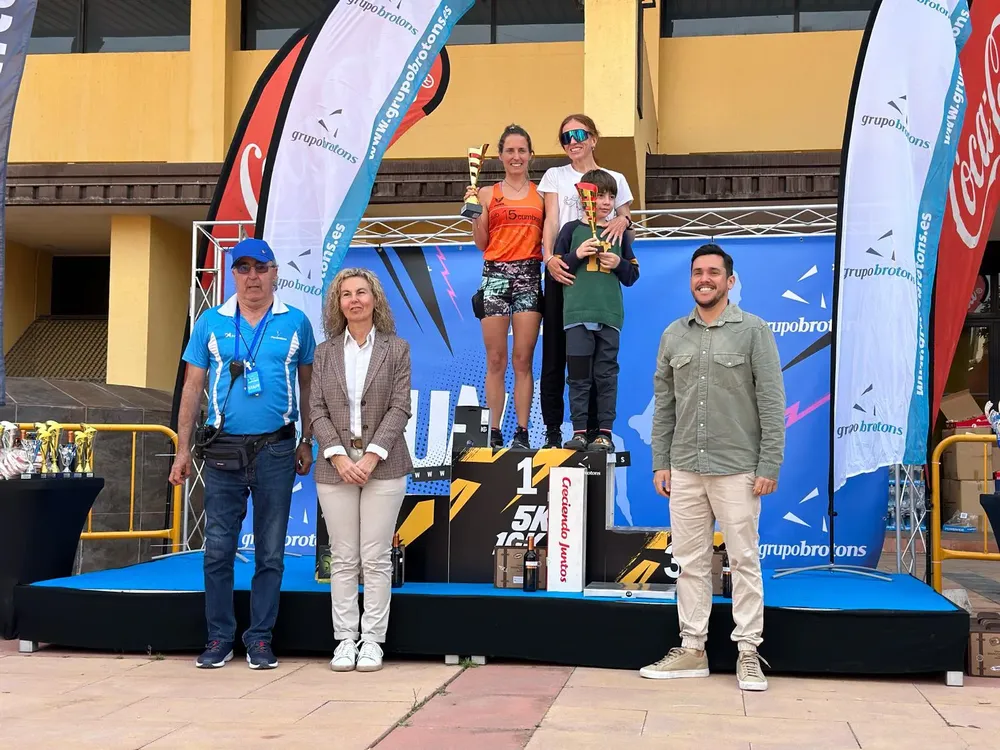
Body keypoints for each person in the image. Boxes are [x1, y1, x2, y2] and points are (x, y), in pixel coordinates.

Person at [642, 243, 785, 692]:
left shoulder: (753, 331)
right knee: (690, 563)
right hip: (683, 467)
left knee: (743, 560)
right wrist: (660, 462)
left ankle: (747, 652)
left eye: (713, 273)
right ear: (691, 279)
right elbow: (663, 406)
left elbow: (772, 403)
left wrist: (769, 462)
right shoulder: (673, 335)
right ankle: (692, 649)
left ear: (729, 280)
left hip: (738, 468)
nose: (705, 279)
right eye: (698, 272)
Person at [170, 237, 316, 671]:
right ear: (232, 274)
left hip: (276, 448)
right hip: (222, 451)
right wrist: (181, 450)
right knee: (217, 550)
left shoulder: (297, 322)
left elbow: (308, 385)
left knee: (271, 552)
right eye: (244, 268)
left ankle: (260, 639)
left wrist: (307, 440)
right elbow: (192, 388)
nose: (253, 276)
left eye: (261, 267)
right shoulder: (210, 322)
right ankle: (218, 637)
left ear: (275, 273)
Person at [310, 268, 413, 673]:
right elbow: (316, 408)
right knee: (344, 557)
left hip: (384, 467)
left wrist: (370, 457)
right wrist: (338, 456)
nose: (354, 300)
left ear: (375, 300)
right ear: (338, 304)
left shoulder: (397, 348)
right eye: (346, 294)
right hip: (335, 466)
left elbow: (400, 406)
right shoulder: (324, 353)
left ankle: (372, 640)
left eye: (361, 292)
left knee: (375, 558)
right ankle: (344, 640)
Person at [537, 114, 634, 449]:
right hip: (562, 268)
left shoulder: (616, 178)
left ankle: (597, 432)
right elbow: (550, 220)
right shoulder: (555, 175)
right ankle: (555, 430)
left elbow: (624, 219)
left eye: (579, 134)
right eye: (565, 137)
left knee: (601, 362)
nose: (572, 141)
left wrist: (622, 218)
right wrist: (549, 258)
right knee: (556, 356)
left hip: (600, 281)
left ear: (594, 137)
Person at [464, 124, 544, 449]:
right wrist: (474, 215)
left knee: (523, 359)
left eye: (521, 150)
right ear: (500, 156)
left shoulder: (542, 195)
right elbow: (482, 242)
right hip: (494, 276)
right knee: (495, 359)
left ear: (530, 155)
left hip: (529, 276)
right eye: (509, 151)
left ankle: (522, 433)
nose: (516, 156)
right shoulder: (486, 193)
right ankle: (493, 431)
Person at [552, 169, 639, 451]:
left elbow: (632, 275)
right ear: (584, 197)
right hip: (577, 316)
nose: (606, 201)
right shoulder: (570, 230)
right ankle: (578, 432)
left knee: (606, 376)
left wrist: (619, 263)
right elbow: (557, 268)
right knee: (578, 377)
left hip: (609, 316)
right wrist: (577, 255)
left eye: (611, 196)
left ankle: (604, 433)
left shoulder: (619, 233)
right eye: (600, 195)